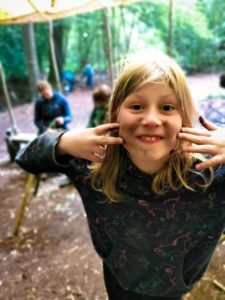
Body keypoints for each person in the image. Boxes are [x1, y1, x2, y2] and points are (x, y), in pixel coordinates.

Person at [16, 51, 225, 300]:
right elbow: (25, 157)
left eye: (167, 107)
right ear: (115, 113)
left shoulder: (212, 174)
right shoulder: (92, 166)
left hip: (174, 289)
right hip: (119, 281)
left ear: (185, 119)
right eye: (136, 106)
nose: (150, 119)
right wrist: (63, 141)